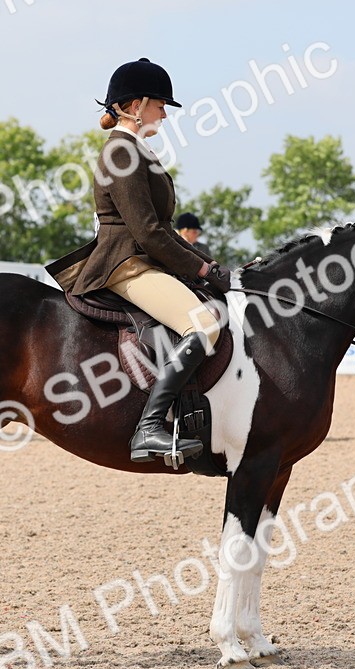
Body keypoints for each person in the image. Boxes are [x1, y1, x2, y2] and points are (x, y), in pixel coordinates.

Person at [45, 58, 230, 462]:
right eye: (160, 105)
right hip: (125, 262)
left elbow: (161, 229)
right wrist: (200, 268)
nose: (164, 113)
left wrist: (210, 263)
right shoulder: (121, 152)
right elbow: (148, 231)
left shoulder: (135, 149)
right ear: (138, 104)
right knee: (203, 323)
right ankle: (149, 428)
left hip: (143, 257)